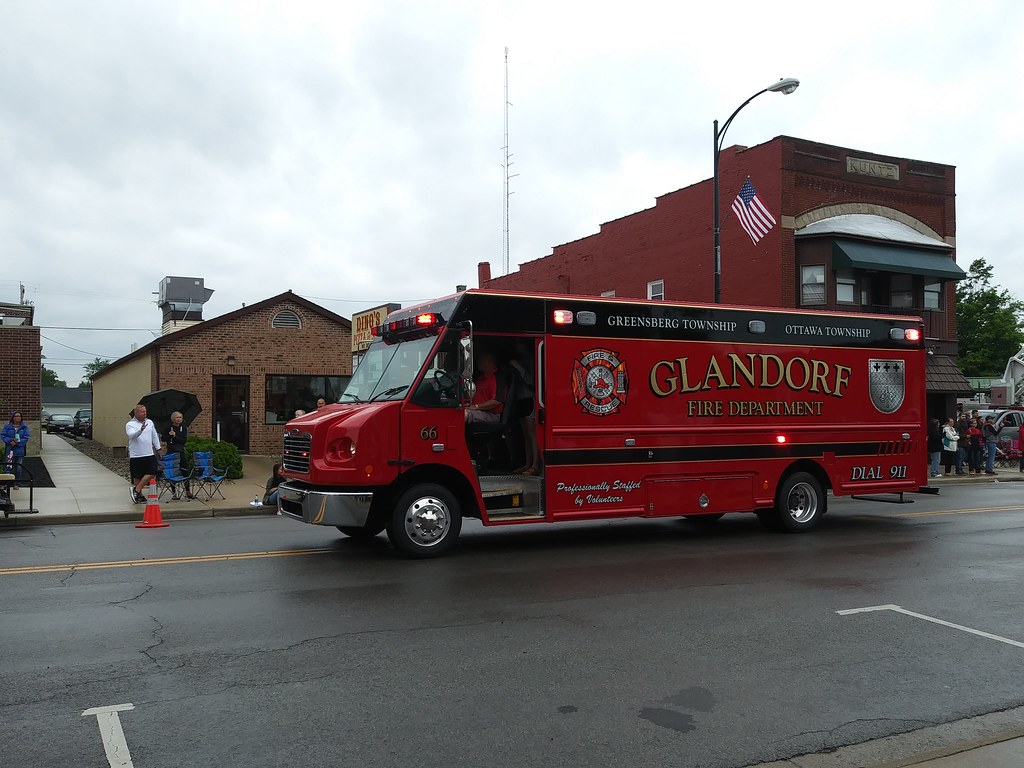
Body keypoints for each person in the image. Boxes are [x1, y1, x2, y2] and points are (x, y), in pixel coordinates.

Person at [509, 341, 540, 475]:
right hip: (520, 399)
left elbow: (532, 381)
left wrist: (518, 367)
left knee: (533, 434)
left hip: (529, 398)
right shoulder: (519, 360)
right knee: (526, 435)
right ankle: (527, 463)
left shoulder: (531, 360)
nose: (516, 347)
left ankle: (536, 465)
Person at [126, 404, 163, 503]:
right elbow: (131, 436)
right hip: (136, 454)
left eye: (145, 411)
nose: (145, 413)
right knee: (137, 476)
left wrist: (158, 448)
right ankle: (139, 495)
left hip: (149, 453)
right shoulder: (130, 424)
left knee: (153, 471)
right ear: (136, 413)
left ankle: (136, 490)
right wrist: (140, 430)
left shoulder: (149, 422)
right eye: (143, 412)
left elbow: (154, 436)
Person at [464, 352, 502, 423]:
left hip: (491, 414)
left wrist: (476, 407)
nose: (478, 362)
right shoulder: (481, 378)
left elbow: (497, 401)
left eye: (480, 360)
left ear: (487, 361)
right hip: (477, 410)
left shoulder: (497, 378)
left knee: (462, 415)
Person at [164, 410, 194, 500]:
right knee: (173, 471)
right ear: (173, 419)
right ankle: (174, 492)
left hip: (180, 451)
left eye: (180, 417)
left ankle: (187, 491)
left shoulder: (183, 427)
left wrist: (175, 436)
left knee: (185, 470)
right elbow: (163, 438)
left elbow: (184, 440)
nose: (179, 419)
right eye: (177, 417)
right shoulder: (168, 427)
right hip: (171, 451)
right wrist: (170, 436)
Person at [2, 411, 30, 488]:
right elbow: (3, 436)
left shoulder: (24, 427)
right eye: (16, 416)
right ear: (13, 417)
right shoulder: (7, 427)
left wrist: (17, 442)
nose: (18, 417)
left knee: (18, 467)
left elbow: (26, 437)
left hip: (19, 451)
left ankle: (16, 483)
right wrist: (10, 441)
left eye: (19, 416)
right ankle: (5, 483)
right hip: (9, 450)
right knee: (8, 466)